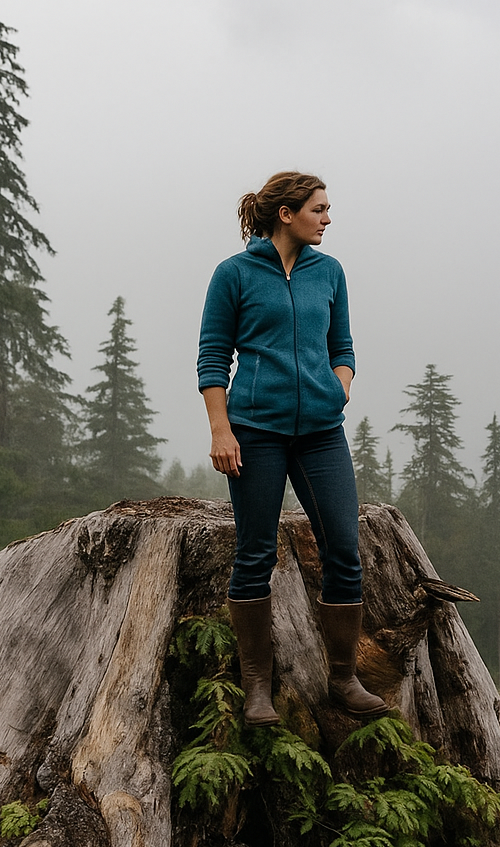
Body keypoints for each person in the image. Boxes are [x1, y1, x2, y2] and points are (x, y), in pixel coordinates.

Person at [198, 171, 388, 726]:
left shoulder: (329, 272)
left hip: (321, 433)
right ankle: (257, 688)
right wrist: (221, 430)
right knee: (255, 553)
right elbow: (213, 356)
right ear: (287, 214)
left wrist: (338, 387)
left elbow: (342, 346)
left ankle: (343, 679)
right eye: (318, 209)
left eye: (327, 209)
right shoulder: (233, 275)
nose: (328, 218)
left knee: (344, 548)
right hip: (255, 430)